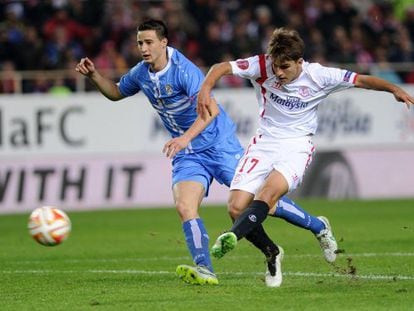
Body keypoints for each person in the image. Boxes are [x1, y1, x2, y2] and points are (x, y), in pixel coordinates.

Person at [76, 20, 337, 287]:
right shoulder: (141, 73)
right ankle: (208, 268)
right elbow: (117, 92)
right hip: (188, 154)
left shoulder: (184, 71)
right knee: (184, 206)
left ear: (164, 43)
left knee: (262, 202)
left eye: (149, 42)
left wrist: (183, 138)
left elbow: (210, 112)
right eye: (140, 42)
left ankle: (318, 226)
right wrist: (94, 76)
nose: (143, 48)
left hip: (218, 145)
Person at [197, 27, 414, 267]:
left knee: (267, 196)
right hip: (264, 142)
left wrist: (394, 89)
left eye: (285, 67)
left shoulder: (320, 76)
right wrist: (205, 89)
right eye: (275, 66)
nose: (278, 72)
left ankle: (232, 236)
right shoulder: (261, 64)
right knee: (236, 208)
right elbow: (221, 67)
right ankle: (275, 250)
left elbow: (361, 80)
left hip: (296, 146)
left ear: (300, 61)